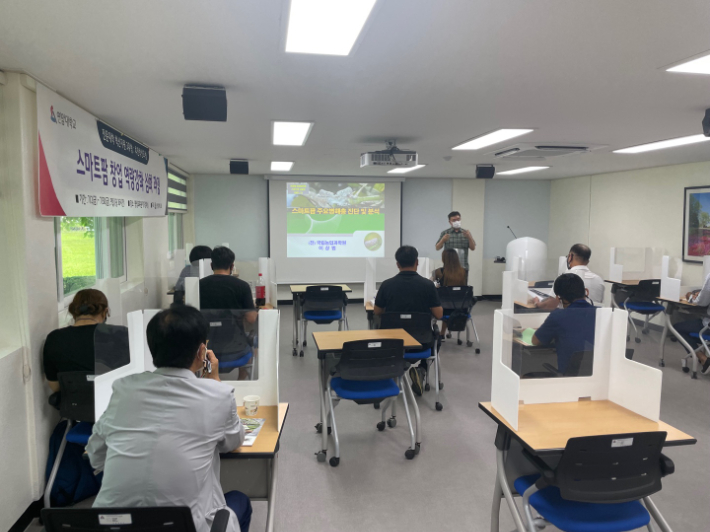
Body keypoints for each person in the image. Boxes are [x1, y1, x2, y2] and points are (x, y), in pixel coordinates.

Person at [86, 306, 251, 532]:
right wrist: (214, 380)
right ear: (202, 351)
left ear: (152, 348)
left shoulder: (124, 389)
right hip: (184, 525)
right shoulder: (217, 395)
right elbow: (233, 441)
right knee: (240, 501)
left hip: (112, 526)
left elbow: (96, 456)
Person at [375, 245, 443, 395]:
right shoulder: (428, 286)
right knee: (437, 336)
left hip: (392, 344)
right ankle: (422, 369)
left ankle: (389, 374)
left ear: (397, 264)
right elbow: (438, 314)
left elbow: (377, 311)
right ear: (417, 262)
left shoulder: (386, 285)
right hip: (421, 343)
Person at [43, 289, 110, 392]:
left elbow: (55, 386)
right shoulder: (121, 334)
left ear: (74, 312)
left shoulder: (54, 339)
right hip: (115, 403)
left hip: (73, 406)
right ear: (105, 312)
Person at [532, 273, 596, 375]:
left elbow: (536, 341)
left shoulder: (558, 316)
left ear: (559, 298)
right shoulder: (602, 314)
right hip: (599, 377)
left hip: (568, 380)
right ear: (585, 291)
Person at [535, 244, 604, 310]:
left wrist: (537, 303)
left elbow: (550, 305)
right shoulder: (599, 280)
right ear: (588, 261)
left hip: (569, 319)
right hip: (592, 320)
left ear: (570, 256)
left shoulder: (564, 278)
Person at [200, 246, 257, 322]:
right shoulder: (243, 286)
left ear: (211, 265)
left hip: (206, 332)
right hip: (234, 333)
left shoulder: (199, 285)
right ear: (232, 266)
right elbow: (251, 319)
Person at [672, 275, 710, 375]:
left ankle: (703, 358)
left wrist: (690, 297)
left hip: (708, 327)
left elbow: (701, 302)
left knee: (677, 328)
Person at [431, 248, 467, 338]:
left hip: (443, 309)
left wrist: (438, 288)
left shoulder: (438, 272)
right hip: (461, 308)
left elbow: (429, 284)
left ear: (444, 258)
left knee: (440, 301)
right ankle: (443, 332)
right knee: (449, 301)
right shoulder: (463, 272)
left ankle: (438, 333)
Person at [435, 211, 476, 279]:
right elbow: (437, 248)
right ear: (450, 222)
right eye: (454, 220)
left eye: (458, 219)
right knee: (448, 288)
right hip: (449, 267)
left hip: (463, 267)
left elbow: (473, 248)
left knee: (462, 288)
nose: (457, 221)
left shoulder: (466, 233)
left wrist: (469, 237)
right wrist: (443, 240)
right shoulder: (445, 233)